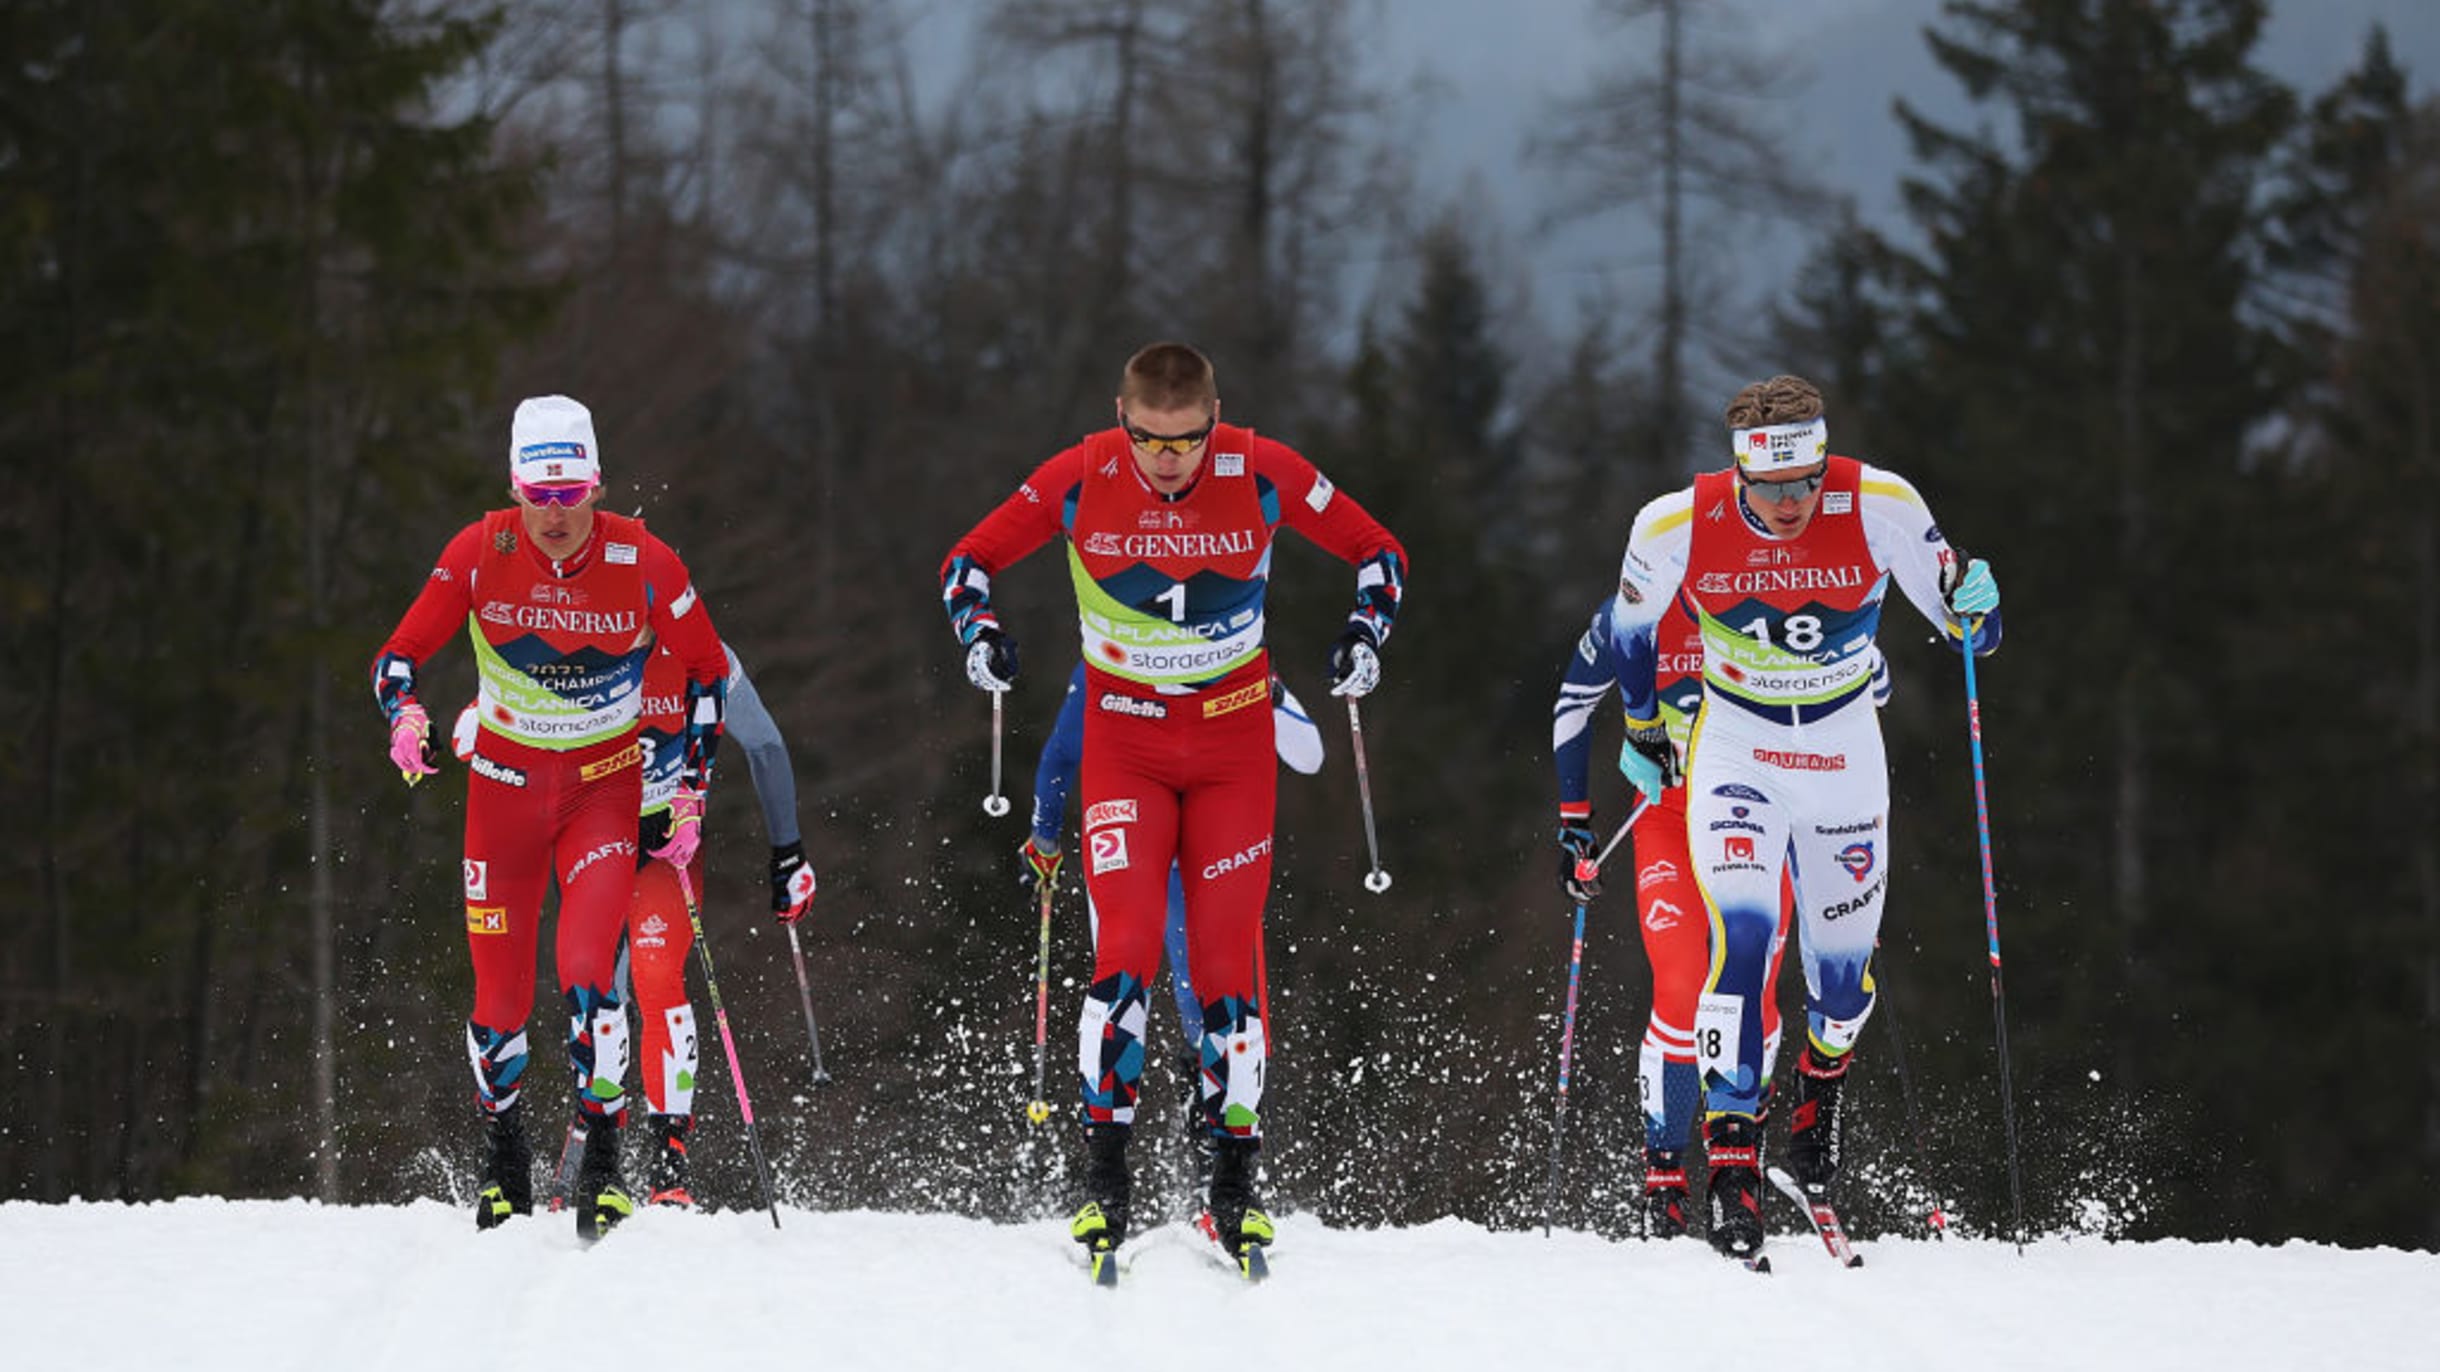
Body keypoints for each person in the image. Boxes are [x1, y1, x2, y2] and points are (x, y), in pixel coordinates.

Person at [939, 342, 1406, 1272]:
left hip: (1234, 747)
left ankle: (1233, 1188)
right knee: (1125, 958)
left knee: (1229, 973)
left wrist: (1366, 635)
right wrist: (979, 635)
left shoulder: (1262, 467)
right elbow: (968, 563)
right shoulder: (1078, 475)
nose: (1169, 462)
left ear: (1214, 420)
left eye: (1188, 441)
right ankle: (1102, 1179)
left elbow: (1378, 552)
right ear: (1122, 418)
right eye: (1150, 441)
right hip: (1126, 745)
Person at [1602, 374, 2000, 1259]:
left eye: (1804, 484)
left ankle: (1816, 1118)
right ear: (1738, 472)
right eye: (1770, 488)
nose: (1789, 505)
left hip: (1845, 753)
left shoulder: (1881, 503)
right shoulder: (1673, 523)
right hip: (1737, 751)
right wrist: (1639, 725)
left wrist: (1981, 609)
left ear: (1824, 462)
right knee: (1739, 945)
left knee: (1841, 984)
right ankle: (1731, 1172)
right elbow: (1629, 630)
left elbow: (1967, 627)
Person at [372, 395, 729, 1239]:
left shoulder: (644, 559)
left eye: (573, 495)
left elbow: (710, 674)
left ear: (597, 485)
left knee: (587, 973)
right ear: (515, 486)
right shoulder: (477, 549)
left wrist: (689, 790)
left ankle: (604, 1160)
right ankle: (503, 1158)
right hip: (502, 788)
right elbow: (397, 656)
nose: (557, 515)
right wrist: (406, 716)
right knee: (497, 994)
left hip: (602, 788)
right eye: (541, 495)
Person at [1553, 596, 1887, 1237]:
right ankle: (1664, 1178)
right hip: (1670, 819)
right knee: (1681, 986)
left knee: (1753, 991)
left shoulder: (1774, 597)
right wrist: (1573, 822)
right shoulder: (1635, 613)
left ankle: (1739, 1168)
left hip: (1761, 816)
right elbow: (1573, 700)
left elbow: (1869, 677)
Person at [456, 637, 817, 1209]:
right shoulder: (566, 641)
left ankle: (668, 1169)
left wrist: (788, 852)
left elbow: (766, 746)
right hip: (588, 838)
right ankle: (599, 1154)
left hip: (663, 848)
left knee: (654, 975)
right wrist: (478, 723)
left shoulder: (703, 653)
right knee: (597, 991)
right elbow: (499, 710)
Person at [1020, 662, 1324, 1173]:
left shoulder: (1233, 662)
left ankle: (1216, 1170)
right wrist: (1043, 840)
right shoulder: (1111, 658)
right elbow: (1062, 753)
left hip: (1202, 873)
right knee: (1116, 1001)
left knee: (1205, 1015)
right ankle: (1099, 1171)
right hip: (1132, 862)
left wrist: (1265, 694)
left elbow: (1310, 756)